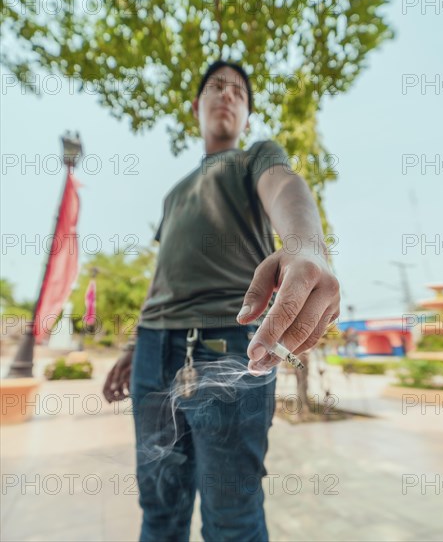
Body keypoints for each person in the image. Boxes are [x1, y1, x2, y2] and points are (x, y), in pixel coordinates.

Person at [103, 60, 340, 542]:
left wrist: (307, 242)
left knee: (232, 515)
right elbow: (163, 273)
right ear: (197, 107)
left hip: (233, 345)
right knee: (158, 506)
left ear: (248, 116)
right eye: (216, 87)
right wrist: (133, 346)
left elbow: (286, 187)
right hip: (153, 351)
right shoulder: (173, 195)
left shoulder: (255, 158)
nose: (227, 95)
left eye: (238, 92)